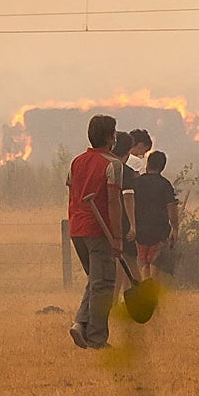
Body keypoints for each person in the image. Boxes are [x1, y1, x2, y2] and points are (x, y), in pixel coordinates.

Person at [67, 114, 123, 349]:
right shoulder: (113, 164)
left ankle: (80, 324)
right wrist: (117, 237)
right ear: (110, 137)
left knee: (95, 281)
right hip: (99, 231)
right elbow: (113, 203)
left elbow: (71, 190)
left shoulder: (77, 161)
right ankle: (97, 338)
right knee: (104, 285)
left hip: (77, 228)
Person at [134, 151, 179, 280]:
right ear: (162, 167)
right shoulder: (165, 184)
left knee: (144, 262)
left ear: (147, 164)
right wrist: (175, 228)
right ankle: (151, 287)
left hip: (139, 229)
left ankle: (146, 285)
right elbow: (171, 207)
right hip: (159, 230)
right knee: (155, 262)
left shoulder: (137, 182)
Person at [112, 132, 140, 288]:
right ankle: (140, 297)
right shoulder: (126, 172)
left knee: (113, 261)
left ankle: (113, 298)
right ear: (128, 151)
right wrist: (133, 225)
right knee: (130, 260)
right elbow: (128, 198)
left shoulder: (105, 166)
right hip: (122, 221)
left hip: (106, 221)